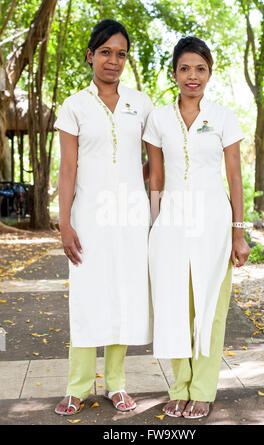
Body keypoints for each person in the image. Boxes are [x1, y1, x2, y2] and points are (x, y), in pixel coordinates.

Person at [143, 36, 250, 419]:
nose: (193, 76)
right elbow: (156, 177)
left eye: (200, 68)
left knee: (211, 308)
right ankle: (179, 387)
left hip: (214, 223)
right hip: (170, 222)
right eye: (185, 68)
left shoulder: (223, 117)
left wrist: (239, 232)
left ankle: (203, 389)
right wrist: (153, 226)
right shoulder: (157, 118)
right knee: (173, 306)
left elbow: (235, 177)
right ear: (174, 73)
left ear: (210, 72)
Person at [54, 19, 153, 415]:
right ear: (91, 55)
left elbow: (153, 162)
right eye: (106, 52)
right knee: (86, 297)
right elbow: (67, 169)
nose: (114, 60)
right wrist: (64, 223)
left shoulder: (140, 104)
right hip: (89, 219)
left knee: (123, 295)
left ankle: (116, 384)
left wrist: (137, 187)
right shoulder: (74, 105)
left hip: (130, 218)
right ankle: (78, 386)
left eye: (121, 53)